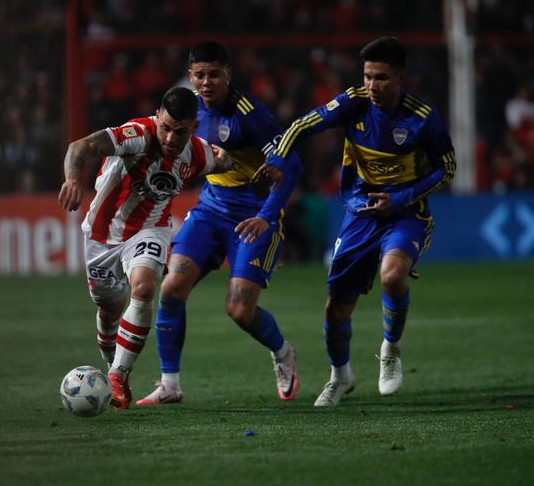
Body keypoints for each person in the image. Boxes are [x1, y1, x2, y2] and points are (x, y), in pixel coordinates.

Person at [254, 36, 456, 406]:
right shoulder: (353, 103)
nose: (372, 86)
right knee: (336, 306)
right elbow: (301, 126)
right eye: (367, 76)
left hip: (405, 213)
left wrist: (401, 197)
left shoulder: (422, 118)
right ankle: (340, 376)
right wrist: (279, 157)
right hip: (360, 212)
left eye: (380, 78)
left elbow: (448, 169)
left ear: (400, 78)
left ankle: (391, 349)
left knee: (392, 276)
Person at [136, 41, 303, 406]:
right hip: (211, 209)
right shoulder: (188, 109)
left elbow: (292, 166)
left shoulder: (251, 116)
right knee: (171, 287)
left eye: (214, 74)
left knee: (239, 310)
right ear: (190, 76)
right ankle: (170, 385)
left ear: (228, 74)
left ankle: (282, 351)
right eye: (200, 75)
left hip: (253, 216)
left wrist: (266, 216)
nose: (207, 82)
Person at [58, 86, 233, 410]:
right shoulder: (136, 135)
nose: (169, 138)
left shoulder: (197, 153)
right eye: (165, 127)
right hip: (101, 236)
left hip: (150, 230)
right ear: (157, 118)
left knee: (145, 286)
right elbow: (80, 146)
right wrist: (72, 179)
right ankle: (112, 360)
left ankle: (118, 374)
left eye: (179, 132)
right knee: (109, 309)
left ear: (194, 127)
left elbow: (225, 161)